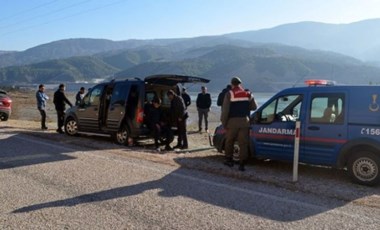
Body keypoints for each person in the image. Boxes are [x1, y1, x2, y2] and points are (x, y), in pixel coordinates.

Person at [221, 76, 257, 171]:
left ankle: (228, 160)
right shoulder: (248, 93)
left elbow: (225, 111)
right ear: (240, 84)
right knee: (243, 143)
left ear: (232, 84)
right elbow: (254, 107)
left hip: (232, 122)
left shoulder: (230, 93)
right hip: (245, 122)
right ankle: (242, 164)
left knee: (229, 141)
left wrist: (224, 123)